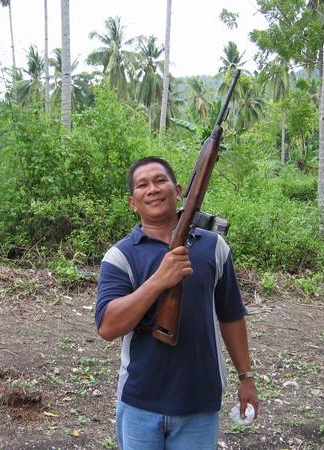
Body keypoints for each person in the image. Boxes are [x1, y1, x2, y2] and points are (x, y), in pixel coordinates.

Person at [95, 156, 259, 449]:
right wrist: (159, 279)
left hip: (200, 403)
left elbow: (231, 314)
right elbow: (108, 326)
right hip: (139, 402)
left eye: (160, 181)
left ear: (179, 190)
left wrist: (246, 377)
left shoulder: (214, 246)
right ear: (133, 203)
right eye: (142, 185)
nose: (153, 189)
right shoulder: (119, 256)